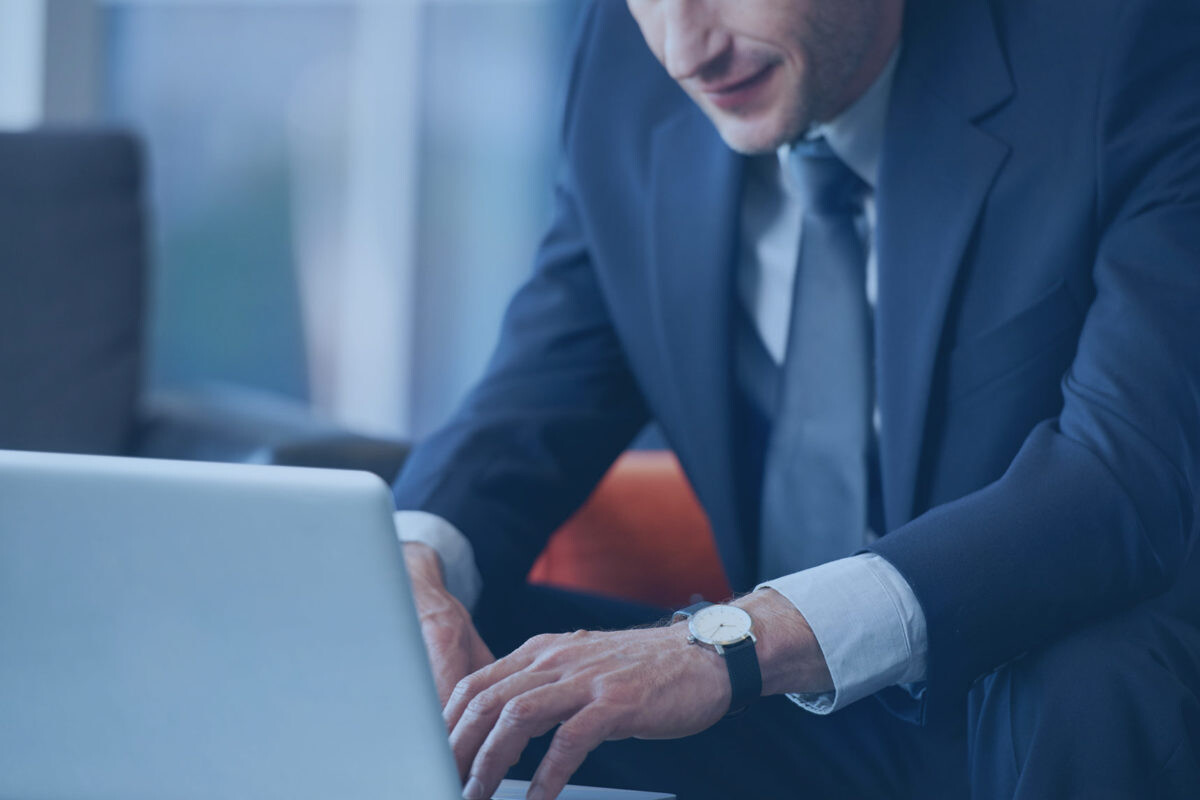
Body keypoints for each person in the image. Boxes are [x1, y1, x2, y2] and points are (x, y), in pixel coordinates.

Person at [393, 0, 1200, 797]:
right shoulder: (628, 60)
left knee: (1092, 677)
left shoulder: (1133, 47)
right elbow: (549, 374)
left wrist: (729, 646)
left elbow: (1124, 479)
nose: (684, 50)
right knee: (437, 672)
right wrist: (413, 568)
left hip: (1022, 689)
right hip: (780, 707)